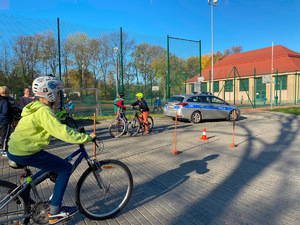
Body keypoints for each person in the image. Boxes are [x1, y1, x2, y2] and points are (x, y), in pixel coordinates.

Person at [7, 75, 97, 224]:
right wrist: (86, 137)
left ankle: (22, 191)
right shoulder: (44, 111)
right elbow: (62, 132)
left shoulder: (35, 107)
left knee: (53, 164)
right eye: (57, 92)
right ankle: (56, 211)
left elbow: (57, 126)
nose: (59, 96)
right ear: (49, 93)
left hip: (17, 149)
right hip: (25, 151)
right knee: (65, 167)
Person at [0, 86, 14, 156]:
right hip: (6, 120)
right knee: (5, 136)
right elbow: (5, 111)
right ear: (8, 92)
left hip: (1, 120)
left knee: (2, 135)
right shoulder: (5, 101)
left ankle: (3, 148)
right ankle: (4, 150)